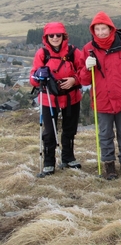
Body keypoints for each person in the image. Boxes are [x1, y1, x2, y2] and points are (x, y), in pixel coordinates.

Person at [79, 11, 121, 180]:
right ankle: (109, 166)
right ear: (93, 30)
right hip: (102, 100)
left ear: (111, 28)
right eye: (97, 29)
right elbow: (84, 81)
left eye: (104, 28)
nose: (100, 32)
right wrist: (86, 67)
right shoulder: (88, 49)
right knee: (105, 133)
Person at [30, 22, 84, 175]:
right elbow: (33, 78)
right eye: (51, 35)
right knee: (49, 132)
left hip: (71, 96)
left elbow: (84, 72)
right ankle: (49, 162)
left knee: (69, 129)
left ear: (63, 36)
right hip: (49, 97)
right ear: (46, 37)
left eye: (58, 35)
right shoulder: (42, 53)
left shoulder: (73, 52)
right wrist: (39, 76)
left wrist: (74, 80)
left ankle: (67, 158)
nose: (55, 38)